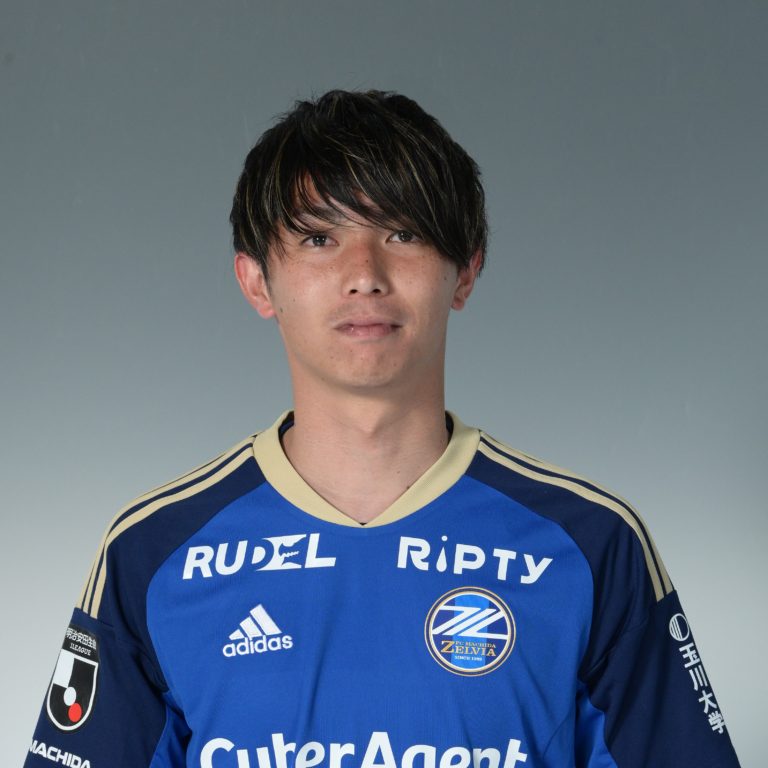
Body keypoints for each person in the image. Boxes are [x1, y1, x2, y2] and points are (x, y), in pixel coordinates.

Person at [24, 89, 741, 768]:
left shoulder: (589, 544)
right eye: (318, 238)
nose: (364, 273)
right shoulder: (152, 553)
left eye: (403, 233)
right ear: (256, 281)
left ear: (465, 272)